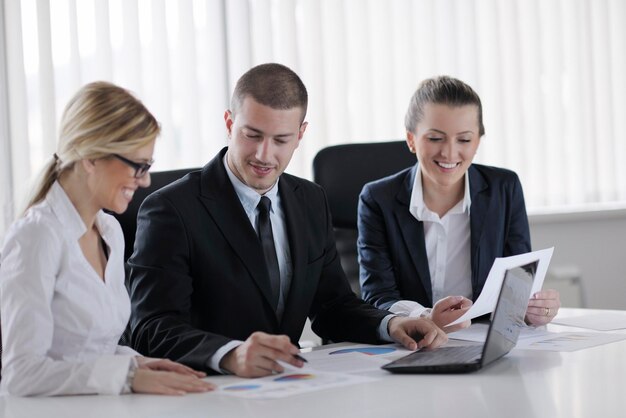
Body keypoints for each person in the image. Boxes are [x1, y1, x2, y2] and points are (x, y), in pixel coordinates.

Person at [128, 63, 448, 378]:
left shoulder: (309, 200)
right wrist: (229, 355)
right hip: (209, 390)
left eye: (281, 140)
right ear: (229, 123)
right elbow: (151, 327)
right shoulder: (170, 209)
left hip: (287, 387)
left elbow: (332, 306)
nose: (264, 155)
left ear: (300, 134)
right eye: (252, 135)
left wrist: (389, 324)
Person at [0, 82, 215, 396]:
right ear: (90, 157)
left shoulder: (110, 231)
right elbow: (22, 375)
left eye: (148, 166)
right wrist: (127, 377)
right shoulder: (36, 238)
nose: (145, 180)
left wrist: (139, 364)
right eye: (137, 166)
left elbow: (92, 350)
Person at [358, 75, 560, 329]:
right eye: (435, 138)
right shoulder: (378, 199)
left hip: (482, 340)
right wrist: (426, 318)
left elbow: (517, 282)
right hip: (412, 341)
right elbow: (378, 296)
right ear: (411, 140)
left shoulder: (503, 188)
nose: (450, 153)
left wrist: (530, 308)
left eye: (464, 139)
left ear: (477, 141)